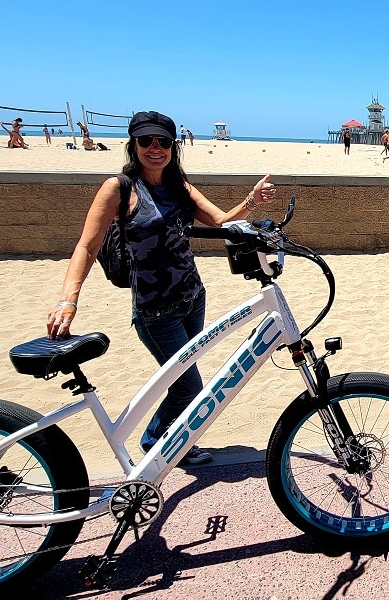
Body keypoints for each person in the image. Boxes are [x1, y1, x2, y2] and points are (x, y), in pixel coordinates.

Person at [46, 111, 278, 466]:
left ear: (173, 146)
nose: (155, 148)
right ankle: (157, 440)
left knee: (182, 380)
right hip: (155, 311)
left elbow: (219, 221)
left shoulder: (178, 186)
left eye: (163, 142)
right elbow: (86, 247)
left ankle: (162, 439)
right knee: (189, 385)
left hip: (192, 298)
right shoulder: (119, 188)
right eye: (146, 141)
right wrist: (68, 300)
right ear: (133, 144)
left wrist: (252, 200)